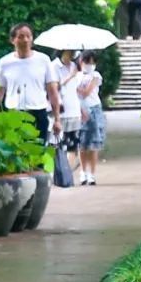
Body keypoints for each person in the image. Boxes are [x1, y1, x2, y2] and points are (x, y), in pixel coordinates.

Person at [0, 23, 62, 142]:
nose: (25, 40)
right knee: (16, 153)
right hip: (14, 114)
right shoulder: (4, 63)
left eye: (28, 36)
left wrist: (57, 119)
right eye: (21, 36)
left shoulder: (43, 60)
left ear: (32, 39)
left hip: (38, 113)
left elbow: (52, 91)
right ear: (12, 40)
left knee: (38, 155)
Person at [76, 51, 105, 186]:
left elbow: (87, 92)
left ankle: (92, 174)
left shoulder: (96, 75)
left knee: (94, 144)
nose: (90, 65)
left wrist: (74, 89)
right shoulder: (76, 76)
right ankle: (82, 171)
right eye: (88, 62)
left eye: (93, 62)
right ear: (81, 62)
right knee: (82, 144)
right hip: (80, 111)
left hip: (94, 109)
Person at [51, 50, 82, 174]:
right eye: (70, 51)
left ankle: (67, 173)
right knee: (59, 143)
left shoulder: (74, 66)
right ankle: (60, 172)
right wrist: (70, 76)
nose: (72, 54)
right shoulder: (54, 66)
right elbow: (53, 87)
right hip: (61, 110)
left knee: (73, 145)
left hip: (74, 109)